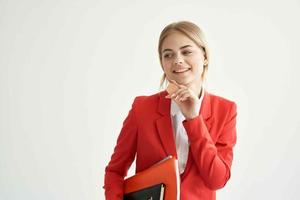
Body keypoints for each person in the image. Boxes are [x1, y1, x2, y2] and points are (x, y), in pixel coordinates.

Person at [103, 21, 237, 200]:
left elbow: (217, 180)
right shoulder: (142, 108)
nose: (178, 60)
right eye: (168, 55)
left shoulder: (225, 110)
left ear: (204, 56)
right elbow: (115, 172)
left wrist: (193, 119)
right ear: (162, 63)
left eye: (186, 51)